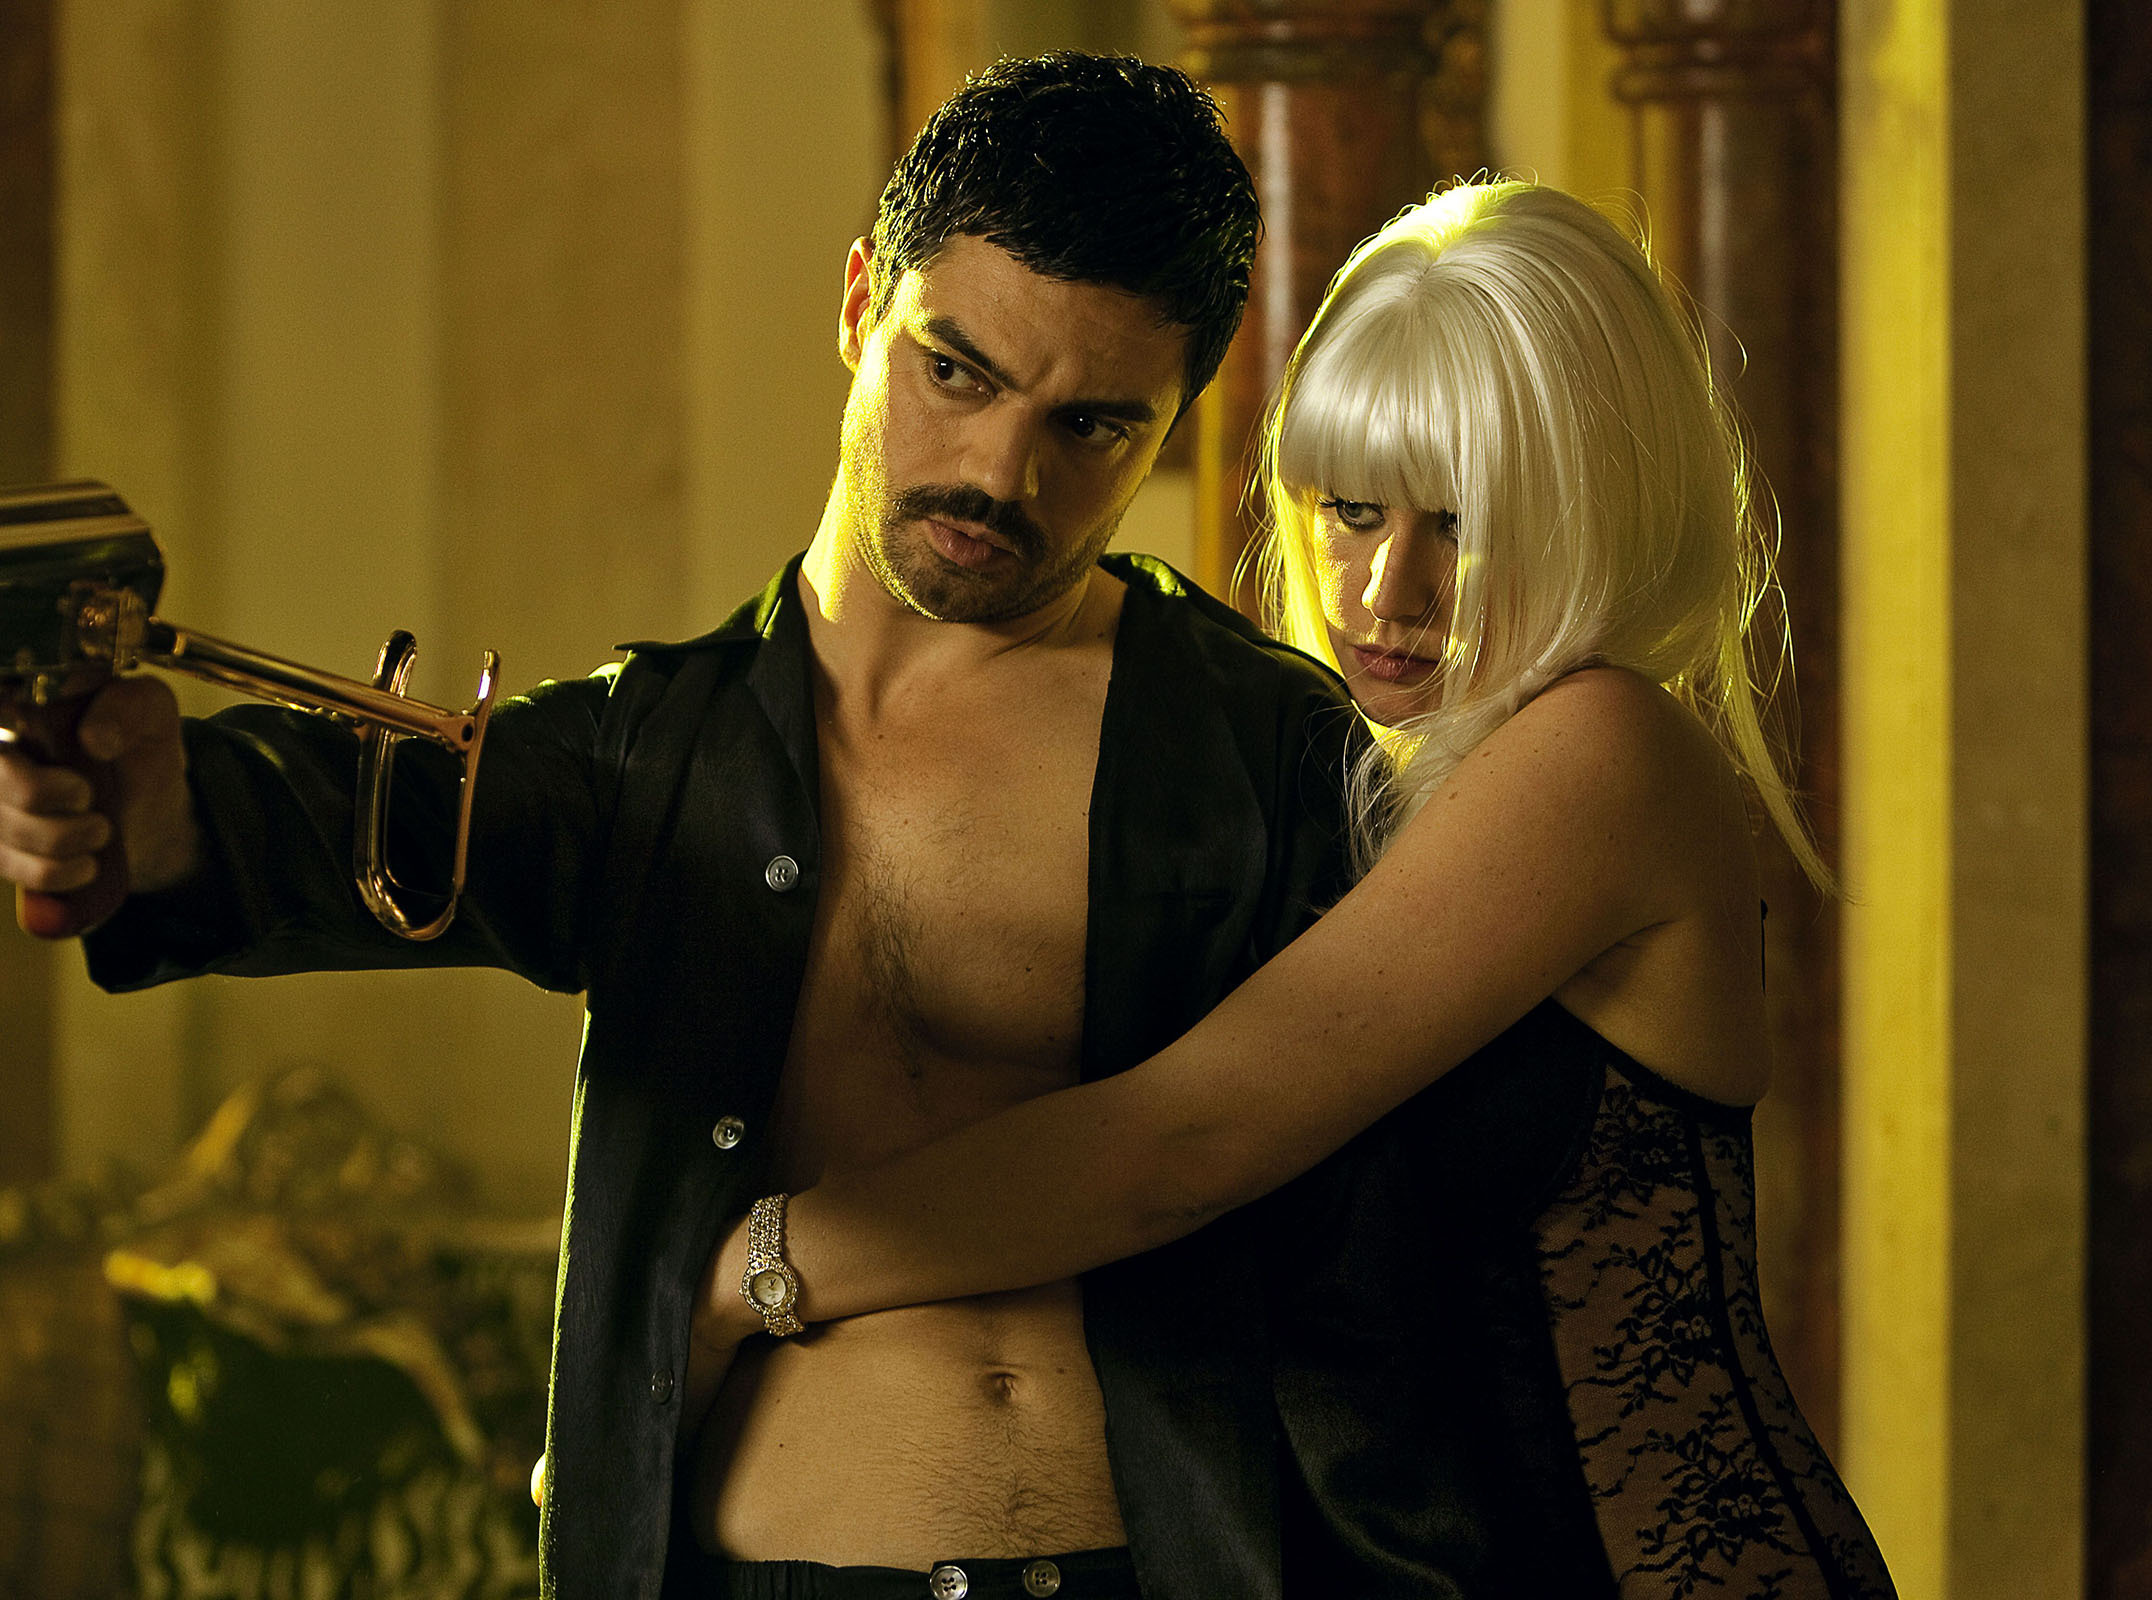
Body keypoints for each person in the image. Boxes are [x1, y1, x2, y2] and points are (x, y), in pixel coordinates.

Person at [0, 55, 1506, 1600]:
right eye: (955, 371)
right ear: (860, 304)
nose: (999, 472)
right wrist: (129, 807)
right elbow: (350, 826)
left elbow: (1415, 1279)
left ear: (1173, 421)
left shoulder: (1265, 754)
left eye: (1091, 425)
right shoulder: (652, 754)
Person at [691, 180, 1900, 1599]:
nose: (1388, 590)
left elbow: (1180, 1141)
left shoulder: (1604, 751)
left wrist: (747, 1272)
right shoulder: (1382, 781)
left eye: (1466, 524)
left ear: (1600, 515)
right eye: (1354, 511)